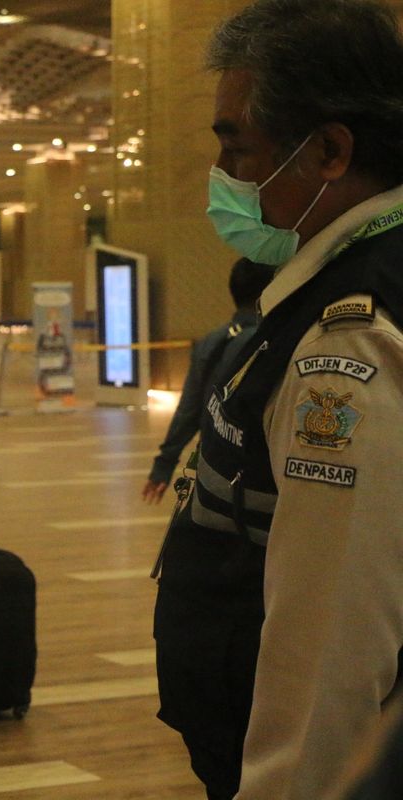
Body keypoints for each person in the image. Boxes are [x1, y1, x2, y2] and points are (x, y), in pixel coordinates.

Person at [156, 2, 403, 797]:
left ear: (329, 150)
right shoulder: (325, 289)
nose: (224, 178)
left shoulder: (347, 343)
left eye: (240, 147)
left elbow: (328, 643)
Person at [142, 259, 275, 504]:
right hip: (264, 476)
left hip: (214, 468)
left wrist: (163, 465)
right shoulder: (276, 342)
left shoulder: (211, 342)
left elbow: (188, 411)